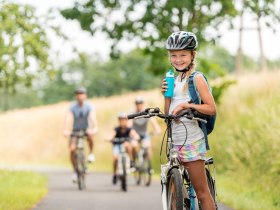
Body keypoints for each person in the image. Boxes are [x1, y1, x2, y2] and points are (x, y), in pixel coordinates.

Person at [161, 31, 216, 210]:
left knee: (201, 193)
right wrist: (166, 96)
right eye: (174, 55)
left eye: (183, 55)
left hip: (192, 139)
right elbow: (168, 114)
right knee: (176, 190)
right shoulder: (175, 79)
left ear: (193, 55)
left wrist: (187, 106)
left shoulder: (196, 78)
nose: (178, 59)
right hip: (175, 139)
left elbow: (211, 108)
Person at [63, 87, 98, 182]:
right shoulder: (72, 107)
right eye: (78, 94)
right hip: (75, 130)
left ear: (85, 95)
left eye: (82, 94)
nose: (80, 96)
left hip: (86, 129)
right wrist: (65, 129)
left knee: (90, 136)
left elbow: (92, 117)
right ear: (76, 96)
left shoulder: (89, 106)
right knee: (72, 149)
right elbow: (68, 118)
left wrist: (94, 127)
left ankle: (91, 153)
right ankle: (75, 171)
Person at [108, 112, 139, 184]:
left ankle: (130, 161)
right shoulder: (116, 129)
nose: (123, 121)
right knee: (115, 158)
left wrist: (136, 137)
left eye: (124, 120)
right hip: (117, 146)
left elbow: (134, 134)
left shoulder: (129, 129)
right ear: (119, 121)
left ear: (126, 121)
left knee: (128, 145)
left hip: (125, 147)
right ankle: (114, 173)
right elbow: (112, 135)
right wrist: (109, 138)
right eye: (121, 120)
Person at [130, 96, 161, 162]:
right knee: (134, 145)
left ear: (143, 104)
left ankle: (148, 165)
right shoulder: (133, 113)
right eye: (137, 103)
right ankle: (134, 161)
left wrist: (157, 130)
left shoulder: (146, 113)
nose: (139, 105)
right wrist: (134, 134)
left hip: (144, 134)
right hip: (135, 134)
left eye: (140, 103)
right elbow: (129, 127)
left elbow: (154, 122)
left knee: (148, 146)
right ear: (135, 105)